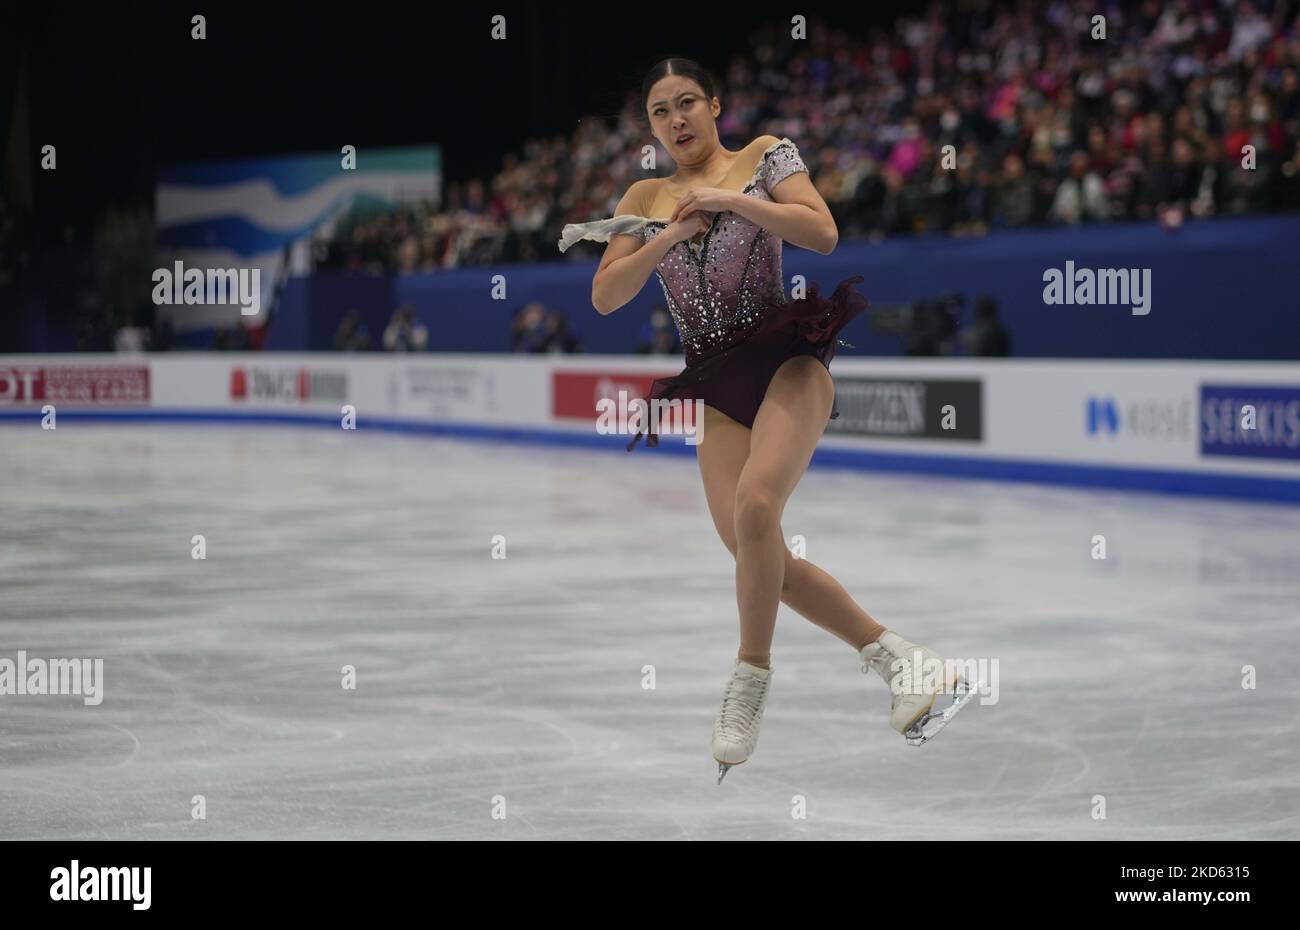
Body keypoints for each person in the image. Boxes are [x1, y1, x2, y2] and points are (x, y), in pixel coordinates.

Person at [558, 57, 974, 783]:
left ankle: (749, 680)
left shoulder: (763, 156)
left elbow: (823, 233)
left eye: (689, 101)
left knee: (756, 508)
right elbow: (604, 296)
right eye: (661, 111)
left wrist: (734, 203)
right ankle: (903, 660)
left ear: (716, 104)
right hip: (718, 386)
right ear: (650, 127)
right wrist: (665, 234)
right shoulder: (645, 194)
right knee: (759, 555)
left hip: (787, 357)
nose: (678, 119)